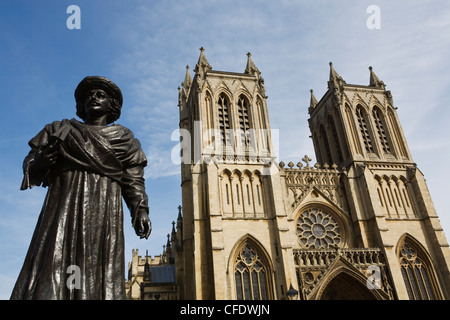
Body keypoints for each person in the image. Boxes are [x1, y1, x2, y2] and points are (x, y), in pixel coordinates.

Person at [11, 76, 151, 300]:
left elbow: (133, 179)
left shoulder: (124, 139)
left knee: (98, 270)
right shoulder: (61, 130)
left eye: (100, 95)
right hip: (63, 209)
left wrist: (140, 209)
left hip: (105, 211)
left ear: (111, 104)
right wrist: (42, 161)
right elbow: (30, 164)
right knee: (56, 265)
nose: (93, 98)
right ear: (81, 104)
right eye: (89, 95)